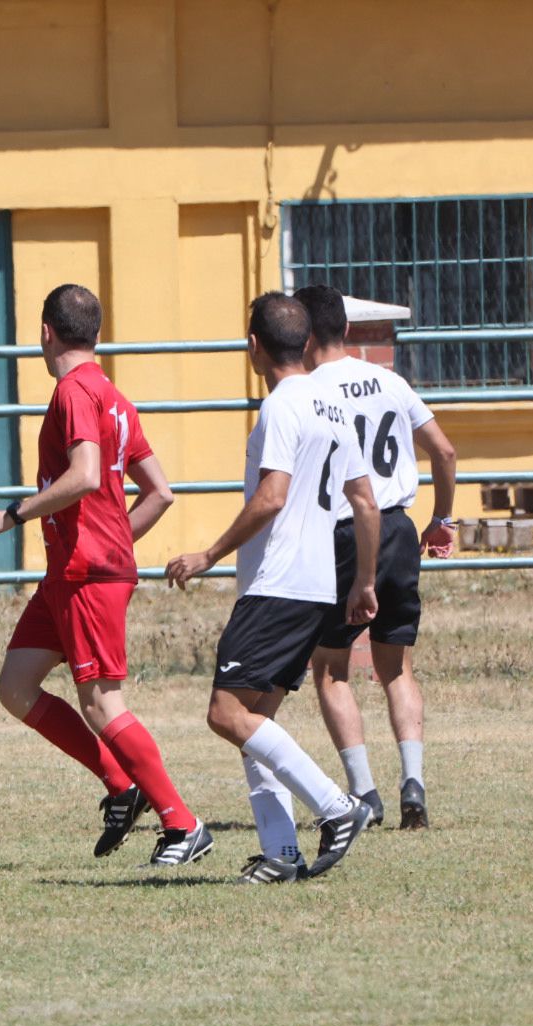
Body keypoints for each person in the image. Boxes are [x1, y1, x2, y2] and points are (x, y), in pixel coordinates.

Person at [0, 284, 210, 865]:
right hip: (71, 572)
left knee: (103, 704)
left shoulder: (75, 391)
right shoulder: (113, 396)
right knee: (16, 688)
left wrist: (11, 515)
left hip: (86, 574)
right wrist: (115, 541)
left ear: (46, 332)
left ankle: (183, 824)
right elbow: (160, 493)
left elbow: (83, 474)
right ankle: (121, 785)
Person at [166, 292, 381, 884]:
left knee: (225, 712)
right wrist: (363, 579)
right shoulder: (334, 405)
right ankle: (281, 855)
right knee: (257, 724)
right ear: (308, 342)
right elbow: (365, 501)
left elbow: (272, 495)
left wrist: (207, 554)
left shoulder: (284, 406)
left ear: (253, 346)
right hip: (315, 587)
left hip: (276, 584)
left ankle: (338, 808)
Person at [298, 285, 458, 830]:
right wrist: (443, 518)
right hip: (397, 528)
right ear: (345, 328)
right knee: (397, 668)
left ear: (306, 332)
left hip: (343, 532)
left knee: (330, 669)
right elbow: (445, 449)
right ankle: (413, 780)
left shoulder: (307, 390)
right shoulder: (390, 381)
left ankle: (364, 792)